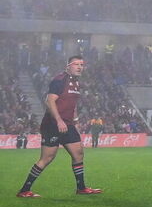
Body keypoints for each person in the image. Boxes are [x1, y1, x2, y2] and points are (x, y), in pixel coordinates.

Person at [17, 56, 102, 197]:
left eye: (82, 64)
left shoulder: (76, 83)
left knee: (78, 153)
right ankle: (25, 190)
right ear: (68, 66)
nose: (80, 67)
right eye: (76, 64)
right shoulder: (60, 80)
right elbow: (49, 101)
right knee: (47, 158)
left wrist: (75, 119)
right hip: (52, 124)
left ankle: (81, 188)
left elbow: (71, 104)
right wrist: (59, 120)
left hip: (68, 124)